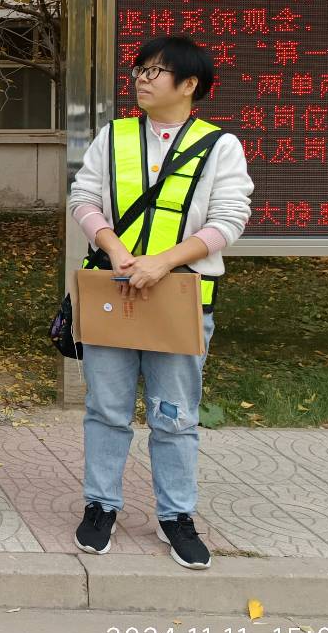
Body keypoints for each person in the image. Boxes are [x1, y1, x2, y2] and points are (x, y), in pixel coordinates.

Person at [68, 35, 252, 569]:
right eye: (140, 70)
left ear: (189, 84)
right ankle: (101, 506)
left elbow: (229, 220)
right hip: (114, 291)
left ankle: (176, 515)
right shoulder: (115, 136)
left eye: (155, 71)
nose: (142, 79)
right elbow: (84, 197)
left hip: (181, 298)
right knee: (106, 409)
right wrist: (116, 249)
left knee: (175, 415)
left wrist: (163, 261)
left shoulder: (220, 146)